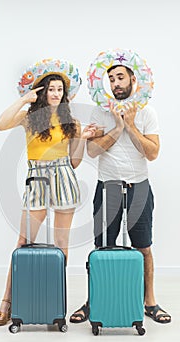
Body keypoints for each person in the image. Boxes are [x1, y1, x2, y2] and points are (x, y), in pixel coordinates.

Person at [0, 61, 97, 326]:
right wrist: (25, 99)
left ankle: (55, 301)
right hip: (37, 178)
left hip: (64, 176)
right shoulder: (31, 116)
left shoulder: (70, 120)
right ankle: (7, 302)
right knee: (23, 242)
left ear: (65, 93)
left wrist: (82, 138)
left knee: (62, 249)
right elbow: (0, 124)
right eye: (50, 89)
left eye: (59, 89)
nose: (55, 94)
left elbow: (74, 162)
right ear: (42, 91)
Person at [69, 63, 171, 324]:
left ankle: (150, 302)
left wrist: (131, 125)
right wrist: (116, 126)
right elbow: (92, 151)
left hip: (139, 187)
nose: (115, 83)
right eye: (111, 79)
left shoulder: (148, 112)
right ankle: (94, 301)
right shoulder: (101, 112)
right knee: (101, 248)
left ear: (132, 79)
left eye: (120, 77)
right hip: (108, 187)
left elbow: (152, 153)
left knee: (144, 248)